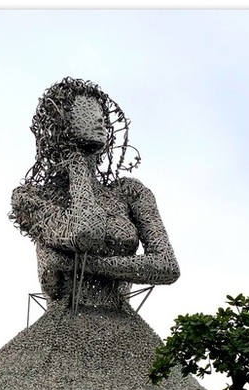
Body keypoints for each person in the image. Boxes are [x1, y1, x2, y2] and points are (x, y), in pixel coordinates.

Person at [10, 77, 180, 311]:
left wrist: (85, 265)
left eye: (100, 113)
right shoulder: (31, 198)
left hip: (121, 317)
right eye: (85, 111)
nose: (99, 119)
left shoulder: (129, 192)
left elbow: (168, 267)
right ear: (61, 123)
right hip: (63, 320)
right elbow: (86, 232)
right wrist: (77, 165)